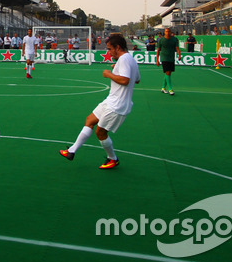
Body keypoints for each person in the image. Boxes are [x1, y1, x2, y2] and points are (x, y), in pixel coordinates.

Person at [60, 34, 140, 169]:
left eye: (110, 49)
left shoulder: (125, 59)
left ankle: (112, 158)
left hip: (117, 105)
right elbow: (136, 79)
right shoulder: (130, 59)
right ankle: (72, 151)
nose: (108, 52)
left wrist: (109, 73)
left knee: (100, 132)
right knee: (89, 120)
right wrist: (117, 69)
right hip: (111, 100)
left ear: (118, 47)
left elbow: (125, 80)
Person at [156, 27, 181, 96]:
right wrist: (157, 60)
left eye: (169, 31)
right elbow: (158, 50)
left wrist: (179, 55)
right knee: (168, 72)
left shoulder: (174, 39)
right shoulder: (161, 40)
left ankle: (163, 88)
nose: (167, 32)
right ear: (164, 32)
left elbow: (177, 48)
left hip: (171, 58)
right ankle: (170, 89)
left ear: (170, 32)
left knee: (168, 73)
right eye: (166, 31)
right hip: (164, 58)